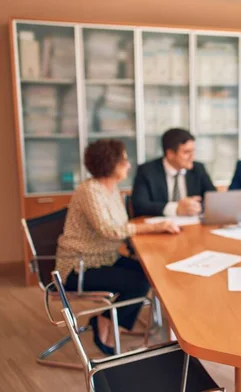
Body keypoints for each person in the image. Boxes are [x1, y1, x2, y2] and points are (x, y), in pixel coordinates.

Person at [56, 139, 180, 355]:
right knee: (139, 282)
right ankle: (108, 323)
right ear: (110, 163)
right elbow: (109, 230)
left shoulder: (113, 190)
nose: (128, 165)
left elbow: (122, 227)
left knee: (150, 274)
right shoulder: (90, 191)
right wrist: (153, 227)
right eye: (124, 160)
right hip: (79, 268)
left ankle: (108, 321)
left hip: (107, 258)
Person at [131, 128, 216, 217]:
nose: (192, 157)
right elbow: (140, 206)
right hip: (160, 226)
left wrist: (196, 206)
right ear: (170, 154)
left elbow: (214, 199)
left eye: (193, 151)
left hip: (192, 224)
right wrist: (176, 208)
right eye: (187, 152)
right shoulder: (147, 171)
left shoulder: (198, 168)